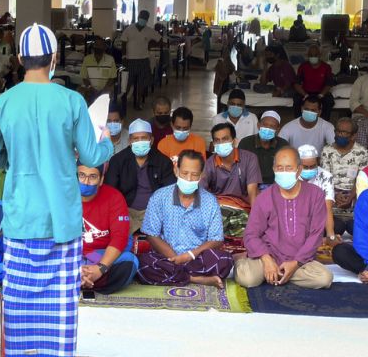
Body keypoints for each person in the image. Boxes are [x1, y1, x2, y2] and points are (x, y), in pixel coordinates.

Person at [0, 22, 113, 357]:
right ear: (54, 58)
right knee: (62, 295)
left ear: (19, 58)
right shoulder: (70, 101)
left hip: (21, 213)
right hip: (62, 217)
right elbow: (90, 154)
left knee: (19, 292)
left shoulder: (2, 102)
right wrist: (108, 144)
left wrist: (19, 158)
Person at [235, 147, 332, 289]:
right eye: (280, 168)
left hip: (300, 260)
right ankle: (254, 264)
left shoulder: (315, 195)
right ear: (274, 169)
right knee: (247, 279)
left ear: (299, 170)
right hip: (268, 256)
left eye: (289, 168)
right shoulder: (264, 197)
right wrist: (267, 259)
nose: (284, 172)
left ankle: (280, 273)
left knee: (324, 279)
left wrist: (296, 263)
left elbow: (316, 235)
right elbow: (251, 234)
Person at [138, 150, 233, 288]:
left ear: (201, 175)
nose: (189, 179)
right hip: (167, 257)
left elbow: (216, 239)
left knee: (225, 260)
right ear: (176, 171)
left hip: (197, 258)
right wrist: (174, 258)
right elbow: (151, 235)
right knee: (143, 263)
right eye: (184, 173)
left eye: (194, 175)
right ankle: (196, 279)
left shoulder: (210, 201)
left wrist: (190, 255)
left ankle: (179, 276)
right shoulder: (159, 197)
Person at [104, 119, 175, 234]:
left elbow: (170, 193)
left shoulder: (163, 162)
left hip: (153, 212)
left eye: (144, 138)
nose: (140, 142)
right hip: (125, 212)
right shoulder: (118, 161)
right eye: (135, 139)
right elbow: (110, 192)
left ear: (151, 140)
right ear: (129, 141)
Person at [76, 163, 138, 294]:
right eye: (81, 175)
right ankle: (88, 280)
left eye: (92, 177)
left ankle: (78, 281)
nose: (86, 182)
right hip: (72, 256)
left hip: (103, 255)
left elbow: (120, 238)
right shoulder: (62, 197)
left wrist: (100, 268)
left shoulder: (114, 197)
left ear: (101, 180)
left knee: (129, 261)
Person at [201, 122, 260, 209]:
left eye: (225, 139)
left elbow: (252, 191)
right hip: (218, 208)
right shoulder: (209, 163)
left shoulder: (250, 158)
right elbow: (201, 191)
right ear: (213, 143)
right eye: (217, 140)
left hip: (243, 208)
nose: (221, 143)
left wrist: (255, 218)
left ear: (234, 141)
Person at [321, 117, 368, 216]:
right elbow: (324, 179)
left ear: (353, 135)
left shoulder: (362, 152)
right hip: (331, 198)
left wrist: (351, 196)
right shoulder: (327, 151)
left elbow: (363, 180)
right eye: (338, 131)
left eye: (344, 132)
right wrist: (335, 195)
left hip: (354, 198)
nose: (340, 134)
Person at [116, 10, 160, 109]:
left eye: (145, 18)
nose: (143, 19)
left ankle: (138, 102)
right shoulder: (129, 29)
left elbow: (160, 40)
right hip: (130, 60)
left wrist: (151, 44)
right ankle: (123, 101)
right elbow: (123, 43)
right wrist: (123, 57)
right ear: (138, 17)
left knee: (142, 83)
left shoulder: (149, 31)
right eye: (142, 17)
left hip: (143, 60)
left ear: (147, 19)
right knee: (127, 82)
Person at [297, 144, 340, 241]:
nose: (309, 169)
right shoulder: (291, 175)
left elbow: (327, 208)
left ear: (318, 162)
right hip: (296, 219)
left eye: (312, 166)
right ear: (298, 164)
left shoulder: (325, 176)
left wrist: (331, 236)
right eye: (305, 167)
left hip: (317, 218)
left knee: (338, 226)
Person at [238, 110, 289, 186]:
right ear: (258, 125)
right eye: (265, 125)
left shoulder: (283, 145)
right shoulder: (245, 143)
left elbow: (286, 171)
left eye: (272, 126)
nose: (268, 128)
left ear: (278, 129)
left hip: (276, 185)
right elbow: (240, 170)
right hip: (250, 185)